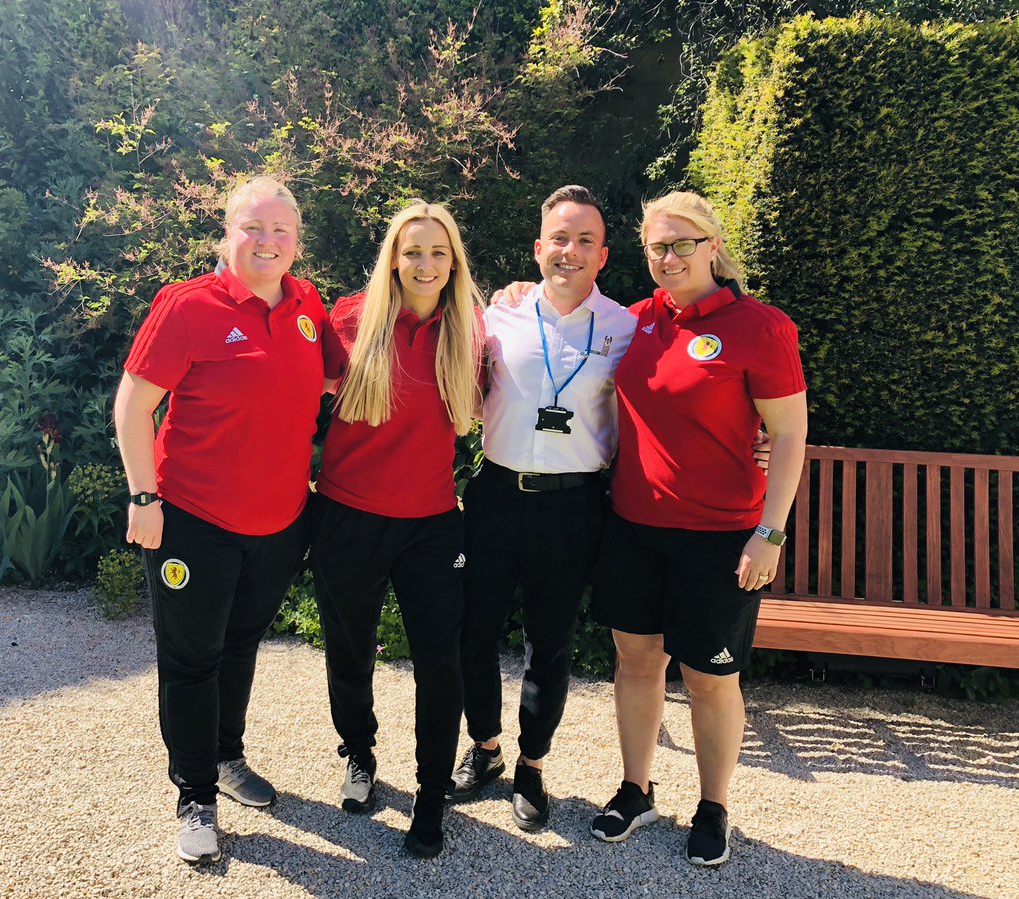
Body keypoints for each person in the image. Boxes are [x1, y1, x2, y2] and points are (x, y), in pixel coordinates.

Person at [588, 190, 807, 866]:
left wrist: (769, 533)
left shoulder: (758, 326)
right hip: (633, 526)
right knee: (635, 661)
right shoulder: (632, 321)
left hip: (720, 538)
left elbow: (790, 433)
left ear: (712, 245)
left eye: (684, 242)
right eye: (658, 245)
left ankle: (714, 805)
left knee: (710, 678)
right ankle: (636, 786)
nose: (670, 256)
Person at [114, 176, 328, 864]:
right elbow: (132, 406)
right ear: (226, 233)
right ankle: (196, 794)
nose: (267, 242)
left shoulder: (306, 304)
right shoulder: (187, 306)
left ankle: (227, 758)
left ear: (296, 241)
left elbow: (330, 376)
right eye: (252, 228)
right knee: (190, 658)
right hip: (193, 521)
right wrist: (144, 498)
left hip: (279, 522)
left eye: (281, 231)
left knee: (238, 647)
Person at [451, 185, 638, 831]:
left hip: (574, 504)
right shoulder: (495, 317)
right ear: (538, 248)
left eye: (585, 240)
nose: (571, 250)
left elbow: (677, 399)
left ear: (603, 254)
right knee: (473, 629)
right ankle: (485, 747)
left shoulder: (625, 326)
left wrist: (755, 439)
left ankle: (532, 762)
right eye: (560, 237)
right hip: (497, 495)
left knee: (549, 643)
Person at [311, 202, 484, 858]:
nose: (425, 264)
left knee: (441, 665)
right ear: (393, 256)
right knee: (350, 654)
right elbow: (290, 393)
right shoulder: (349, 319)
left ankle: (431, 796)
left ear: (453, 263)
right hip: (347, 518)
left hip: (432, 527)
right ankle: (359, 755)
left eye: (438, 253)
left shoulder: (468, 332)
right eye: (413, 251)